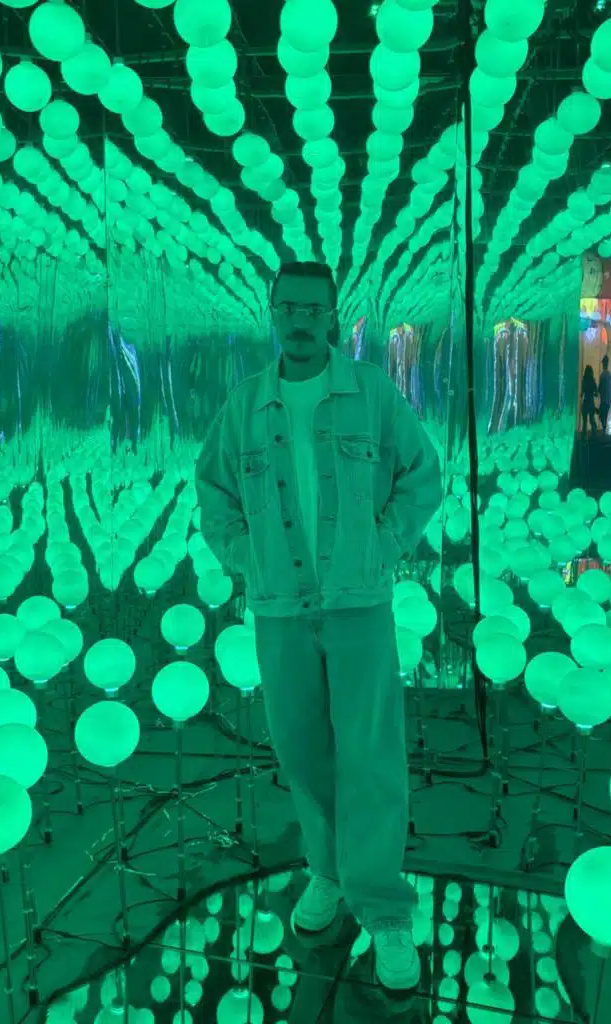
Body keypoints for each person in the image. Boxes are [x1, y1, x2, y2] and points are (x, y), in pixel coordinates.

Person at [195, 261, 443, 993]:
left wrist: (384, 544)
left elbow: (422, 474)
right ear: (272, 311)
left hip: (358, 603)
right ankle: (328, 871)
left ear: (333, 316)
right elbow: (213, 489)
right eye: (288, 307)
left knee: (370, 753)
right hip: (279, 608)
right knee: (302, 749)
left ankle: (385, 908)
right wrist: (247, 557)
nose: (300, 321)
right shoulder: (246, 404)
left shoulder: (370, 392)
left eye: (313, 309)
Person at [581, 365, 600, 439]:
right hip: (591, 402)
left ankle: (583, 436)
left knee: (584, 421)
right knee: (592, 420)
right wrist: (593, 393)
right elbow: (596, 393)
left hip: (585, 402)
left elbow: (581, 394)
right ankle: (594, 435)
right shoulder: (593, 381)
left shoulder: (584, 381)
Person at [598, 355, 611, 434]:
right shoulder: (610, 375)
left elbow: (600, 387)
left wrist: (597, 391)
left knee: (602, 415)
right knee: (605, 415)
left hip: (603, 399)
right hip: (608, 399)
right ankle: (604, 430)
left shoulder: (602, 375)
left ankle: (604, 429)